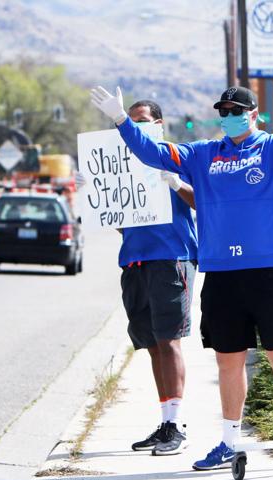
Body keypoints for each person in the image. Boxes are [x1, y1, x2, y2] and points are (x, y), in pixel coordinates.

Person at [90, 64, 273, 471]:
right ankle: (230, 442)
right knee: (228, 361)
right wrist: (121, 120)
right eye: (224, 110)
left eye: (237, 110)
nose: (229, 116)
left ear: (254, 115)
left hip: (271, 270)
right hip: (221, 275)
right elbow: (152, 153)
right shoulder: (203, 154)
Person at [77, 100, 198, 456]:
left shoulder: (177, 157)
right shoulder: (124, 165)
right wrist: (94, 195)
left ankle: (177, 426)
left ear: (159, 123)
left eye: (143, 121)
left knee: (171, 339)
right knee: (153, 345)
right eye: (130, 121)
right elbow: (121, 220)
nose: (136, 126)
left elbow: (201, 202)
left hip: (172, 258)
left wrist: (175, 183)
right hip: (134, 262)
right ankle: (165, 421)